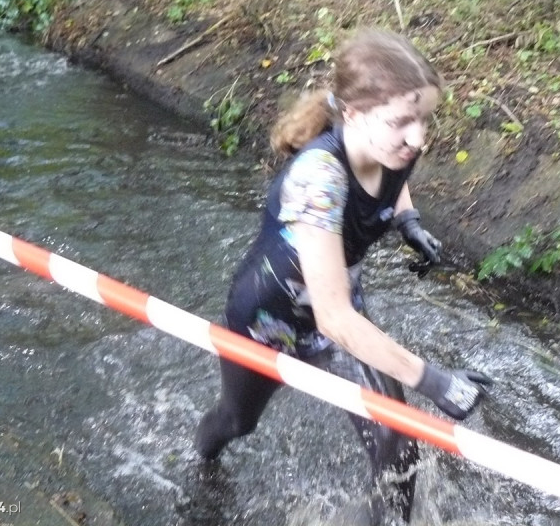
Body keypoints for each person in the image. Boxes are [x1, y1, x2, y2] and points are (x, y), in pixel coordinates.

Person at [195, 29, 491, 525]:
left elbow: (394, 182)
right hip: (269, 319)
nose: (417, 137)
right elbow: (333, 318)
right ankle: (199, 469)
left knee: (398, 439)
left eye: (424, 118)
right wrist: (436, 381)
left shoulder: (395, 146)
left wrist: (407, 221)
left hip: (339, 304)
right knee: (238, 420)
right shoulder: (320, 178)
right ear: (352, 113)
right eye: (401, 122)